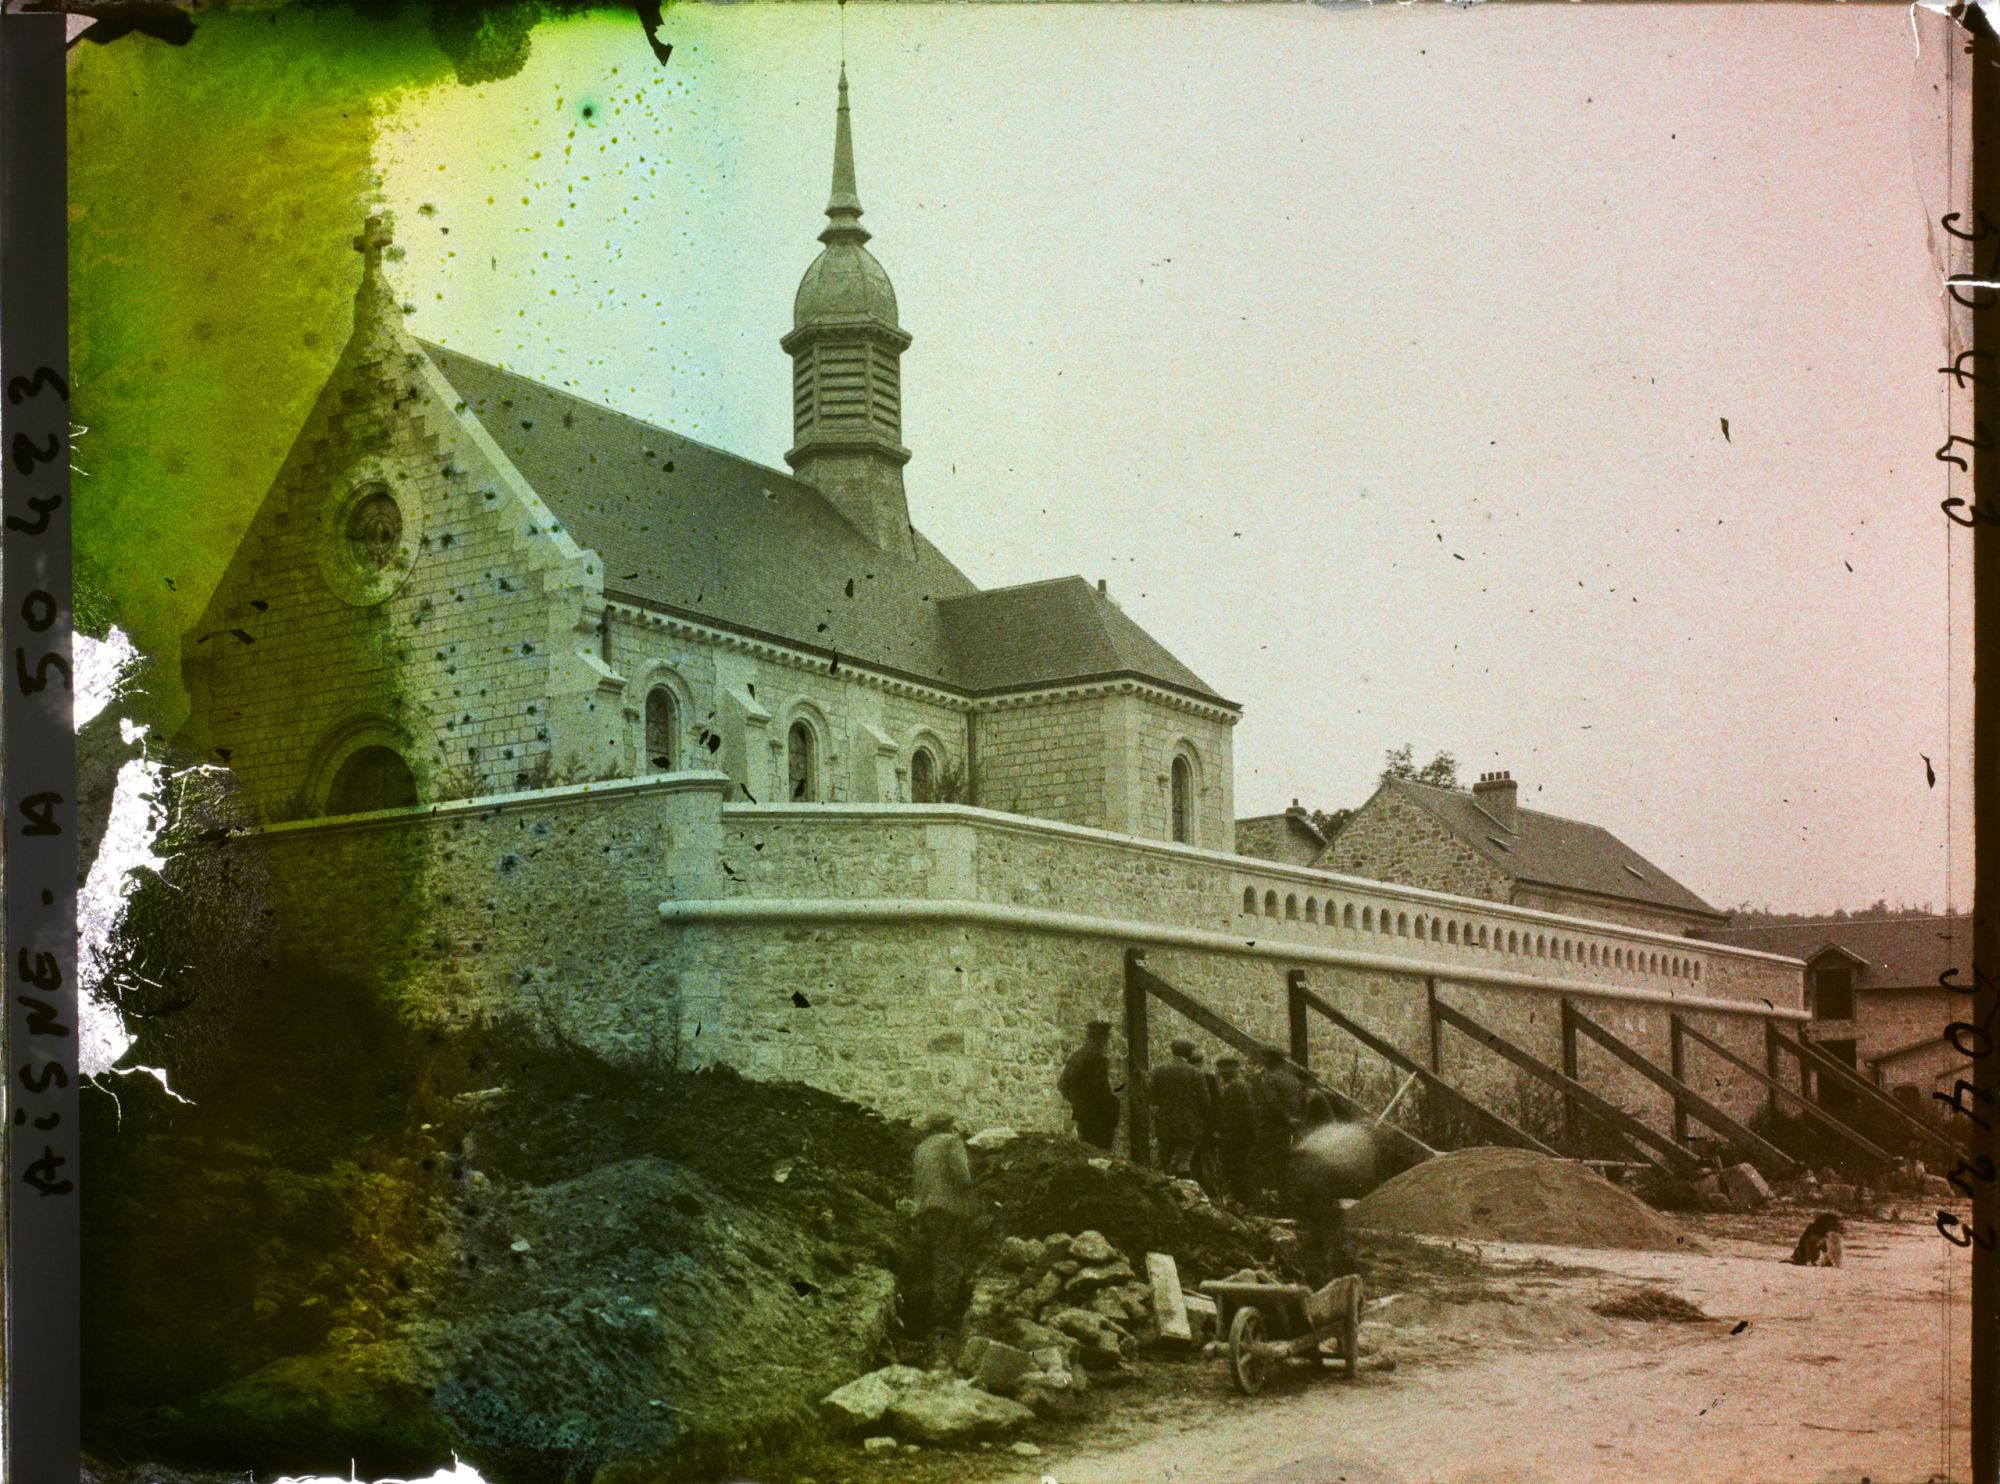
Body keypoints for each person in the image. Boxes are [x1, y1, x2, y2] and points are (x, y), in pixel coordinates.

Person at [906, 1114, 980, 1330]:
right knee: (947, 1263)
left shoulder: (920, 1148)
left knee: (925, 1263)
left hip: (921, 1211)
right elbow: (962, 1176)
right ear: (949, 1127)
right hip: (947, 1210)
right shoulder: (951, 1142)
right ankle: (940, 1320)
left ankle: (913, 1321)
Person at [1289, 1110, 1379, 1284]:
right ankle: (1333, 1274)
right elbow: (1360, 1178)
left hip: (1300, 1167)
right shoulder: (1363, 1141)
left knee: (1312, 1224)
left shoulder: (1339, 1129)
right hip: (1318, 1173)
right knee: (1329, 1226)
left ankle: (1312, 1269)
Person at [1250, 1045, 1306, 1210]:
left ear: (1270, 1059)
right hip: (1289, 1132)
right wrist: (1294, 1119)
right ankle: (1287, 1207)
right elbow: (1302, 1103)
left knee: (1253, 1162)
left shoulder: (1272, 1079)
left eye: (1264, 1058)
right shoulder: (1293, 1080)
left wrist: (1287, 1118)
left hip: (1272, 1129)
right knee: (1284, 1166)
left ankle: (1258, 1205)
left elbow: (1271, 1103)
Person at [1148, 1038, 1212, 1179]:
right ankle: (1184, 1194)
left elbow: (1152, 1099)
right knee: (1184, 1162)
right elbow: (1205, 1101)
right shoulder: (1196, 1073)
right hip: (1187, 1123)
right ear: (1189, 1053)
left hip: (1165, 1122)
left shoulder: (1160, 1071)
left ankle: (1164, 1195)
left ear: (1173, 1051)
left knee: (1164, 1160)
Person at [1058, 1021, 1120, 1150]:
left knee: (1088, 1152)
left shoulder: (1077, 1056)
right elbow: (1100, 1091)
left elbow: (1062, 1084)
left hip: (1083, 1116)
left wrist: (1078, 1101)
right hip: (1098, 1117)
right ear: (1102, 1039)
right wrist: (1113, 1103)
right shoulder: (1098, 1059)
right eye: (1106, 1038)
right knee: (1100, 1155)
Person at [1211, 1056, 1258, 1206]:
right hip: (1237, 1135)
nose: (1219, 1072)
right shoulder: (1237, 1085)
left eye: (1222, 1068)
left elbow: (1240, 1114)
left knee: (1239, 1171)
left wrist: (1224, 1132)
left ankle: (1247, 1203)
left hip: (1237, 1136)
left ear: (1232, 1069)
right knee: (1238, 1171)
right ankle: (1244, 1203)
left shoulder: (1236, 1087)